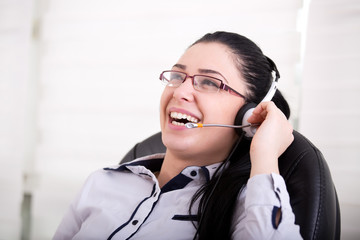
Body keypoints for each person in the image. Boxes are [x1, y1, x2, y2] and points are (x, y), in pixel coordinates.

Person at [53, 31, 302, 240]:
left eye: (209, 82)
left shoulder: (248, 206)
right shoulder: (102, 182)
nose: (180, 91)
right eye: (177, 76)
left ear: (249, 116)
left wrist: (265, 156)